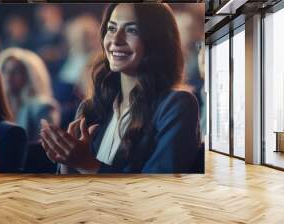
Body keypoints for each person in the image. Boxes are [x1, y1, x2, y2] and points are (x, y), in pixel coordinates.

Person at [40, 3, 203, 174]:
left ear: (157, 40)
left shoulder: (177, 105)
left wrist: (87, 164)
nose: (116, 40)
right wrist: (67, 161)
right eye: (111, 28)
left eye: (132, 30)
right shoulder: (91, 108)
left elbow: (159, 188)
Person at [0, 48, 60, 143]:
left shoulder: (43, 107)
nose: (8, 76)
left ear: (30, 75)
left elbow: (46, 148)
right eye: (5, 70)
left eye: (16, 71)